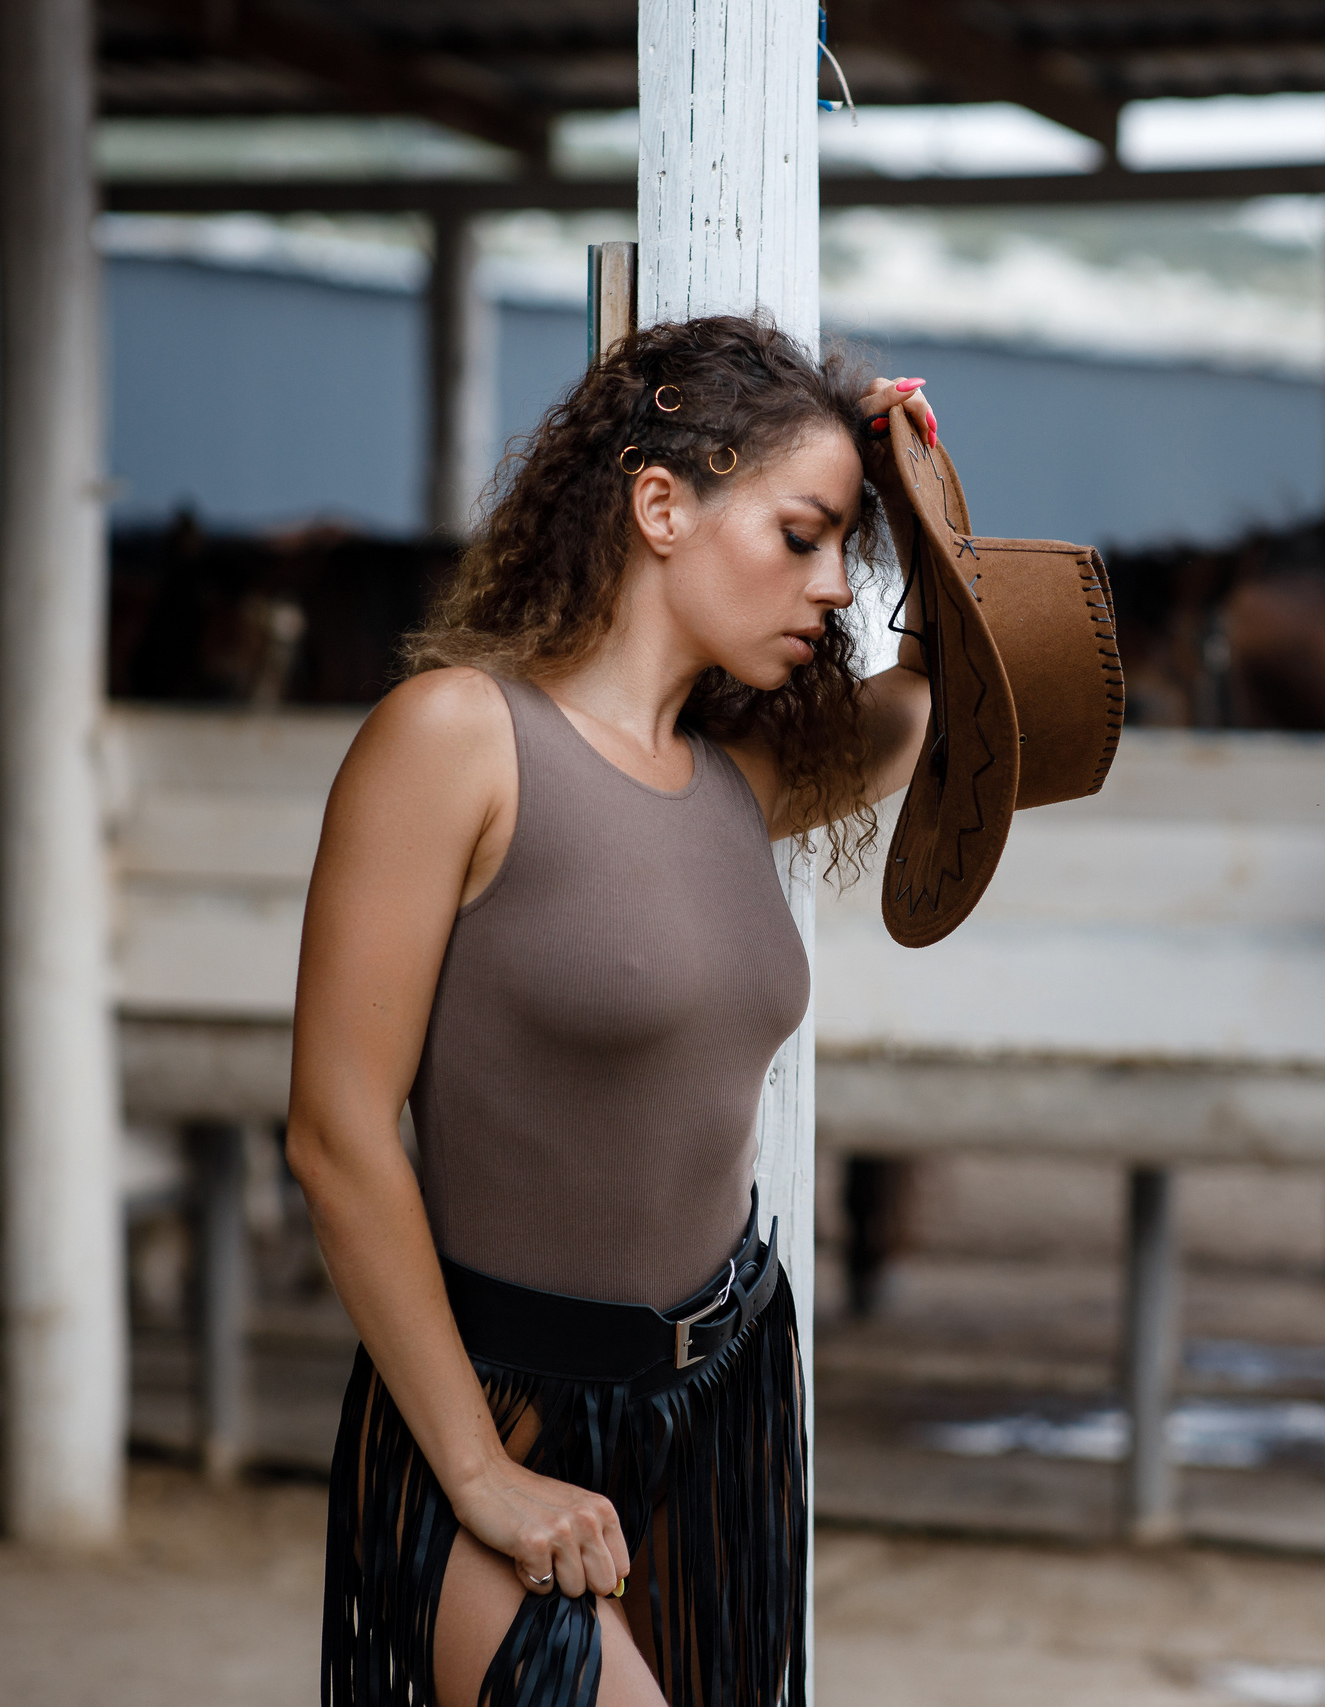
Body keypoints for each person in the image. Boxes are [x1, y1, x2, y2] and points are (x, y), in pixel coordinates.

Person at [287, 315, 936, 1707]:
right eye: (802, 535)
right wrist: (478, 1472)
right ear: (660, 504)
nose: (834, 588)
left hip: (725, 1407)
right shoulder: (459, 739)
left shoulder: (734, 785)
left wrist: (921, 494)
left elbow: (945, 699)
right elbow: (336, 1135)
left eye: (848, 553)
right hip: (504, 1416)